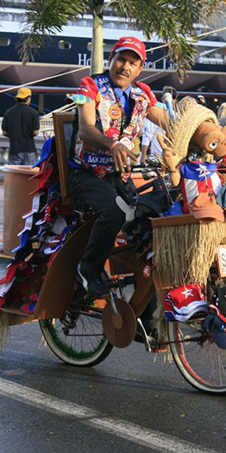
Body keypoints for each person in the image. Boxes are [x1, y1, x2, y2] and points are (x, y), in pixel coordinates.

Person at [69, 35, 167, 297]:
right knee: (115, 213)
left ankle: (143, 301)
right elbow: (86, 128)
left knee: (155, 214)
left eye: (132, 63)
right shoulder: (90, 86)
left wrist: (200, 133)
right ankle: (88, 270)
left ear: (139, 69)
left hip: (119, 177)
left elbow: (167, 121)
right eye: (121, 59)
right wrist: (112, 145)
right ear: (111, 59)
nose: (125, 66)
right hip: (86, 174)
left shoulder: (143, 94)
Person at [2, 87, 40, 165]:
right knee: (28, 174)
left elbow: (4, 132)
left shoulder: (9, 113)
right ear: (28, 98)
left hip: (14, 148)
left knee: (15, 174)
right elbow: (35, 132)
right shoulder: (33, 113)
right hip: (29, 148)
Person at [141, 86, 178, 165]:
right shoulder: (155, 112)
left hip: (173, 159)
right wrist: (143, 158)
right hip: (157, 159)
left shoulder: (177, 115)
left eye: (173, 97)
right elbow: (147, 135)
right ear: (162, 98)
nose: (171, 100)